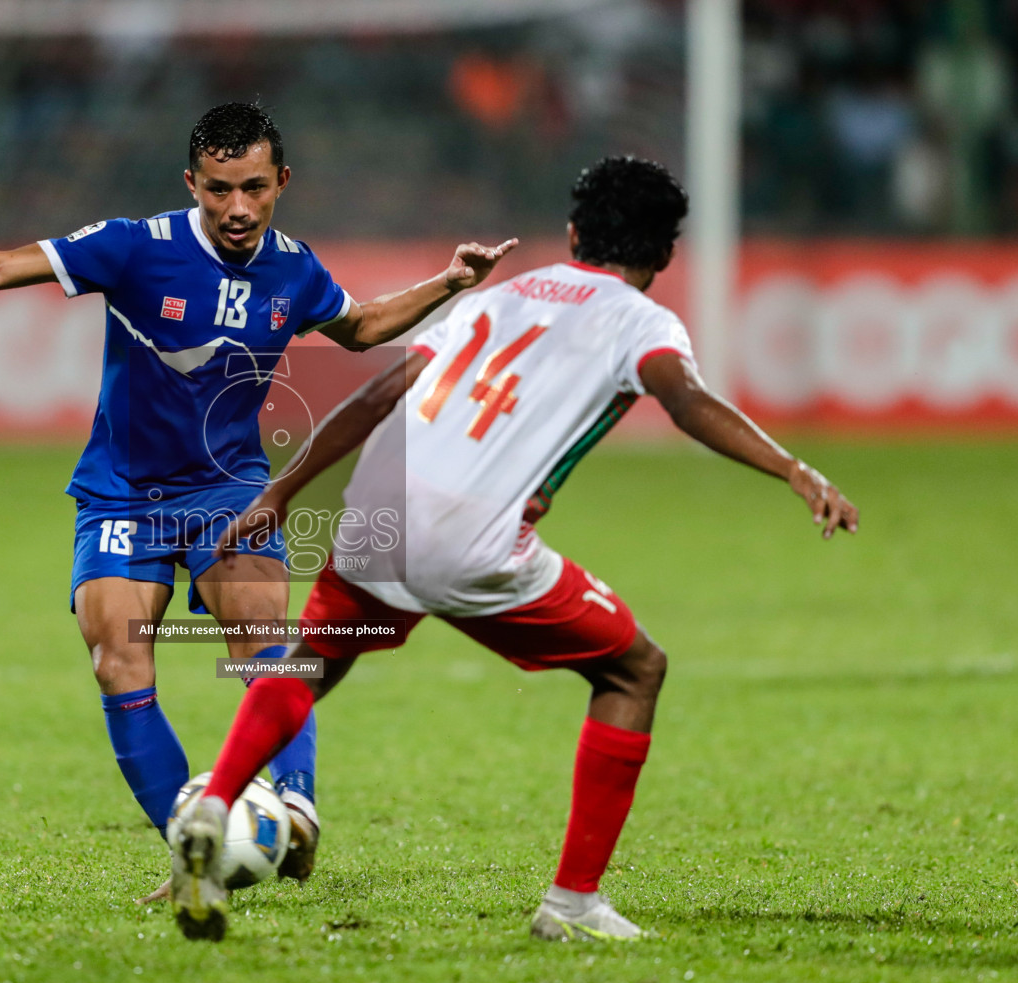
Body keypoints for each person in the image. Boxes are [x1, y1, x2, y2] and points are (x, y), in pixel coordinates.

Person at [168, 154, 859, 942]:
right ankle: (571, 905)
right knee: (635, 668)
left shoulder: (497, 299)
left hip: (377, 511)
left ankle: (217, 801)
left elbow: (378, 392)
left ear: (572, 233)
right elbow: (687, 400)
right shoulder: (644, 324)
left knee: (309, 665)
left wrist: (281, 492)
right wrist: (794, 469)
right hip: (472, 538)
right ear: (665, 255)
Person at [0, 102, 517, 895]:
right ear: (191, 182)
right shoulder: (133, 247)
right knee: (116, 660)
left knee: (265, 644)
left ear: (281, 183)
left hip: (229, 488)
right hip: (122, 493)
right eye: (219, 189)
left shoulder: (294, 269)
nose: (237, 208)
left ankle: (294, 810)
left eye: (254, 189)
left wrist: (451, 282)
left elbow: (361, 328)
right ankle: (198, 851)